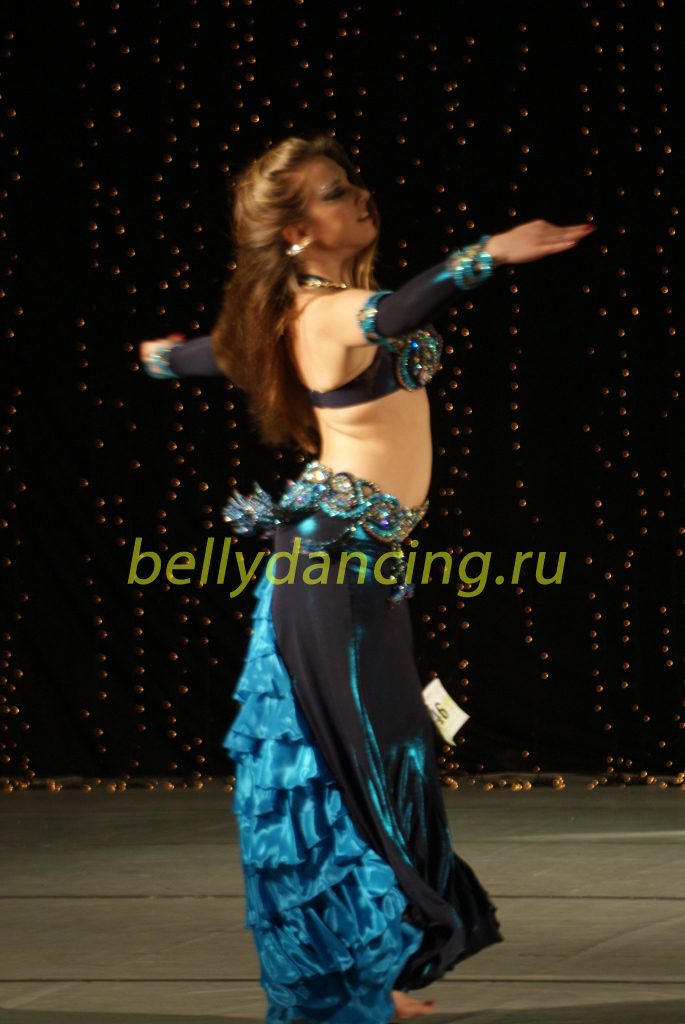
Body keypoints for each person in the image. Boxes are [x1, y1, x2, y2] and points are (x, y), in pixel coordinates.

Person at [139, 133, 595, 1024]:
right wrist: (485, 256)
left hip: (351, 566)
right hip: (335, 565)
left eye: (350, 183)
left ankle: (365, 974)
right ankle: (342, 989)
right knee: (351, 769)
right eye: (332, 192)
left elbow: (220, 354)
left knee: (375, 762)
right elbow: (397, 312)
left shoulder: (296, 314)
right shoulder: (331, 313)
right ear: (296, 232)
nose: (357, 197)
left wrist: (162, 358)